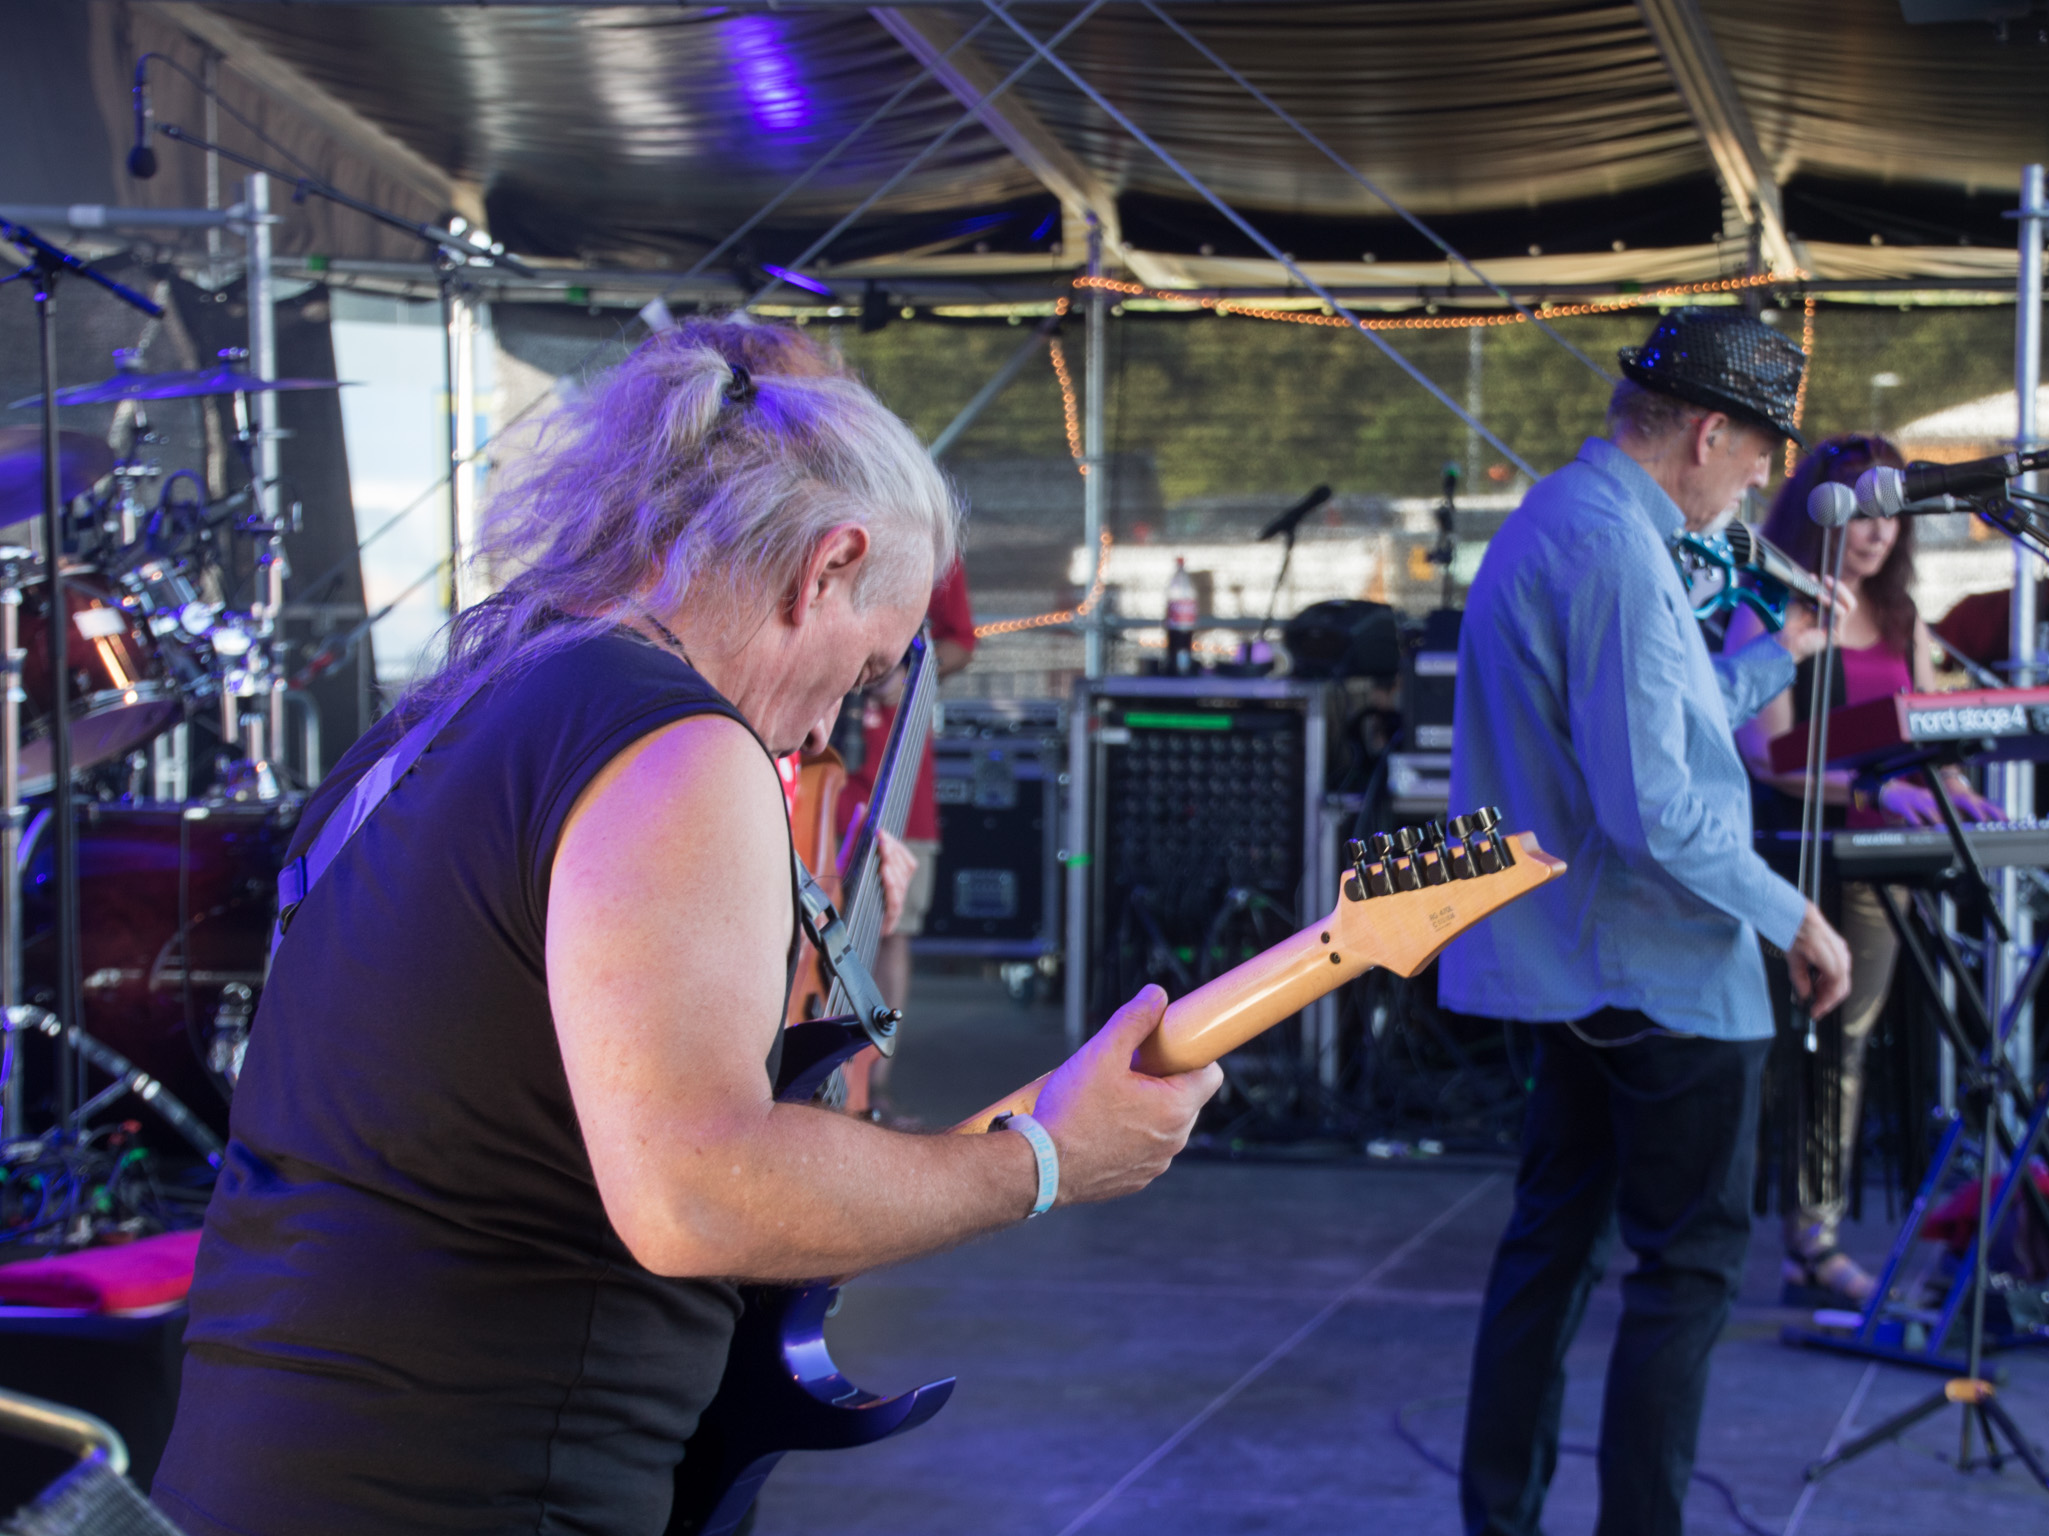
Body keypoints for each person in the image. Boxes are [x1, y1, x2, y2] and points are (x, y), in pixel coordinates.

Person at [151, 319, 1221, 1536]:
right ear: (828, 566)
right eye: (865, 671)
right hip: (472, 1489)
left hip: (265, 1465)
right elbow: (698, 1191)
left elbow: (505, 1077)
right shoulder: (678, 747)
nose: (825, 732)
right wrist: (1046, 1161)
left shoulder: (462, 702)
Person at [1441, 307, 1854, 1536]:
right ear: (1710, 433)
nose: (1761, 482)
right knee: (1685, 1276)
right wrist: (1796, 919)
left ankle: (1499, 1518)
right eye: (1760, 454)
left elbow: (1652, 721)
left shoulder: (1570, 519)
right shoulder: (1620, 552)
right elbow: (1655, 809)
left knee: (1551, 1253)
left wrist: (1779, 652)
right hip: (1657, 971)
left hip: (1577, 961)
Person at [1727, 434, 2004, 1307]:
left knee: (1844, 1046)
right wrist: (1881, 793)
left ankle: (1813, 1242)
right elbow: (1766, 754)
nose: (1881, 531)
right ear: (1822, 511)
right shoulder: (1772, 604)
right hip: (1786, 856)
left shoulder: (1901, 618)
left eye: (1894, 515)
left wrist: (1960, 794)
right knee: (1772, 1048)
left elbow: (1921, 741)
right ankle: (1753, 1231)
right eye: (1864, 512)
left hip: (1880, 865)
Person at [834, 561, 975, 1118]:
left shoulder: (934, 548)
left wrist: (905, 672)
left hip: (898, 777)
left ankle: (875, 1087)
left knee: (892, 937)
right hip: (824, 770)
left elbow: (961, 642)